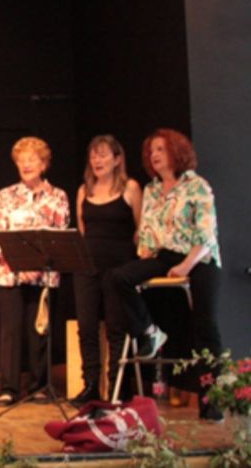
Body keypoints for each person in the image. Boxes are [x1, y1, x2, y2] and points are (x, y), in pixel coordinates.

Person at [109, 128, 224, 422]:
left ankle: (211, 400)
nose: (154, 155)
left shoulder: (197, 186)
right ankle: (149, 331)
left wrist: (186, 265)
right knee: (120, 277)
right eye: (151, 151)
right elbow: (148, 231)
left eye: (160, 149)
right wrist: (145, 252)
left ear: (176, 152)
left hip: (199, 257)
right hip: (164, 255)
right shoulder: (151, 189)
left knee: (205, 326)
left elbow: (206, 233)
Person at [0, 137, 70, 407]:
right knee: (10, 333)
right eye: (21, 160)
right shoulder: (5, 195)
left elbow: (59, 234)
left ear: (44, 164)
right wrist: (18, 265)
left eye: (32, 159)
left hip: (43, 275)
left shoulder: (58, 196)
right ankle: (8, 388)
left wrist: (36, 267)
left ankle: (39, 386)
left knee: (39, 332)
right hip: (9, 274)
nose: (26, 164)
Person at [70, 135, 141, 406]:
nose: (96, 160)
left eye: (102, 155)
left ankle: (117, 386)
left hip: (118, 265)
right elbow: (82, 230)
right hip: (87, 265)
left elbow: (140, 229)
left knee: (116, 326)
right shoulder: (84, 190)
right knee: (87, 326)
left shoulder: (130, 188)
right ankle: (90, 384)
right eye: (93, 155)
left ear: (117, 159)